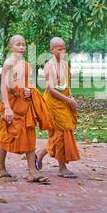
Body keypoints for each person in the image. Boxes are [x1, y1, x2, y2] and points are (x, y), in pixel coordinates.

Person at [0, 34, 52, 183]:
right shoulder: (9, 63)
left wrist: (29, 90)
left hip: (25, 104)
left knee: (30, 135)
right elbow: (4, 85)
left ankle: (32, 172)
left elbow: (27, 83)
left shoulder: (26, 64)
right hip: (12, 105)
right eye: (18, 44)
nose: (22, 47)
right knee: (6, 136)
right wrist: (8, 108)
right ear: (11, 46)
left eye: (23, 44)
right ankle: (1, 168)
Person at [35, 37, 80, 178]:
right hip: (53, 104)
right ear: (51, 50)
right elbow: (52, 89)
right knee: (61, 134)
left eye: (64, 48)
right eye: (59, 48)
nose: (62, 51)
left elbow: (67, 85)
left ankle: (40, 154)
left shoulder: (66, 65)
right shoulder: (49, 65)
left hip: (65, 102)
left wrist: (71, 98)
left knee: (62, 133)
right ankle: (62, 168)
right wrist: (68, 100)